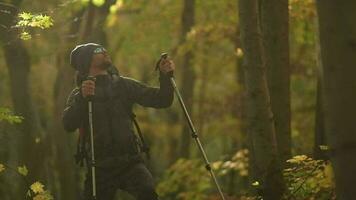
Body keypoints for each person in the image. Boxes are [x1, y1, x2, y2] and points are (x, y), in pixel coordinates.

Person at [62, 43, 175, 200]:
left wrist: (165, 76)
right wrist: (81, 98)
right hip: (99, 167)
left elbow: (162, 100)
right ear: (85, 61)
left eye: (103, 48)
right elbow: (68, 124)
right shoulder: (79, 94)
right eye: (98, 50)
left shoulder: (123, 85)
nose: (104, 51)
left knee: (148, 192)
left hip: (130, 162)